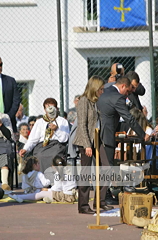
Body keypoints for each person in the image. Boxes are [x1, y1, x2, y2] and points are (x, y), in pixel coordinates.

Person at [73, 76, 110, 214]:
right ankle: (83, 206)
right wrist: (87, 145)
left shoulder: (94, 102)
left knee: (106, 168)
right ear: (94, 88)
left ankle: (99, 201)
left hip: (96, 138)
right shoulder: (84, 101)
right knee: (86, 172)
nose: (102, 92)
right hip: (86, 140)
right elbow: (82, 124)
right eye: (100, 89)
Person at [97, 77, 149, 167]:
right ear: (123, 86)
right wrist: (143, 135)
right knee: (108, 167)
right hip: (107, 135)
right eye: (128, 92)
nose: (127, 95)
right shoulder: (118, 98)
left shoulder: (104, 91)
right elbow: (129, 118)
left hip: (97, 133)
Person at [19, 98, 70, 173]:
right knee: (39, 156)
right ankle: (43, 180)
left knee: (54, 156)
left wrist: (57, 129)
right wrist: (26, 149)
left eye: (52, 108)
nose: (50, 111)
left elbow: (65, 139)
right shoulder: (39, 122)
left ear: (56, 109)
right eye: (47, 108)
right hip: (42, 146)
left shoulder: (62, 121)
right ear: (44, 110)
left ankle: (55, 180)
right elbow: (33, 139)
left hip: (56, 145)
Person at [9, 156, 76, 203]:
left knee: (42, 193)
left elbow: (57, 188)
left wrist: (48, 189)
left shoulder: (58, 174)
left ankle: (20, 197)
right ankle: (50, 199)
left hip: (65, 196)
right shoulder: (68, 170)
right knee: (44, 193)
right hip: (71, 195)